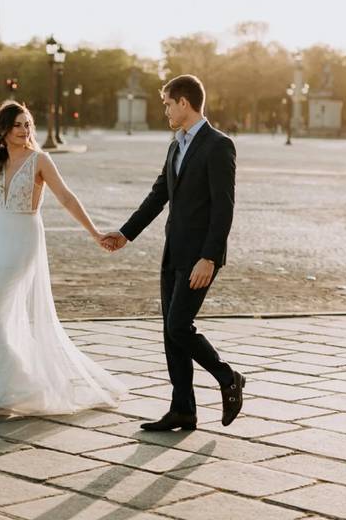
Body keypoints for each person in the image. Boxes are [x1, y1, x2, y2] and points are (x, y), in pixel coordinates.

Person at [0, 101, 126, 416]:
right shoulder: (0, 159)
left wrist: (94, 232)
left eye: (28, 125)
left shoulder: (40, 159)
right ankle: (11, 388)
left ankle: (13, 390)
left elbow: (66, 196)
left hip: (24, 239)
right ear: (5, 130)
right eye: (19, 125)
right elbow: (3, 203)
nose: (25, 130)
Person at [102, 74, 245, 431]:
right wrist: (125, 234)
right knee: (170, 332)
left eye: (167, 103)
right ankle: (183, 409)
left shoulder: (218, 145)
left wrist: (209, 257)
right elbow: (158, 196)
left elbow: (223, 208)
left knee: (179, 326)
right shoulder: (175, 146)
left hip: (200, 257)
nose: (164, 109)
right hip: (173, 252)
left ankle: (228, 377)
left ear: (184, 102)